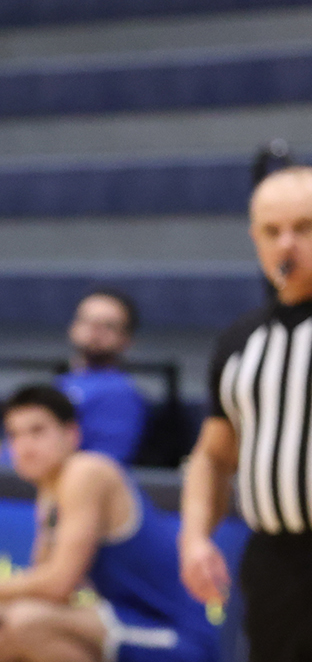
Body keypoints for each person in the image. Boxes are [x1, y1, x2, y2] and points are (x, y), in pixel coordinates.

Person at [0, 385, 217, 662]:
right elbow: (50, 593)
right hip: (130, 625)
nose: (24, 446)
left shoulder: (85, 472)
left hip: (176, 634)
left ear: (71, 434)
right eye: (14, 435)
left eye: (37, 431)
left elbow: (58, 582)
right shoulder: (49, 493)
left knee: (26, 621)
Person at [179, 166, 312, 662]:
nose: (286, 245)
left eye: (304, 227)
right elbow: (213, 456)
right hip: (273, 562)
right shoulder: (240, 341)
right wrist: (194, 538)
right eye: (272, 231)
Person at [60, 289, 149, 464]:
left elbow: (102, 466)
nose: (94, 330)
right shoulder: (62, 381)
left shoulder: (119, 394)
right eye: (87, 321)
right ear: (73, 327)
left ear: (126, 339)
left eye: (108, 326)